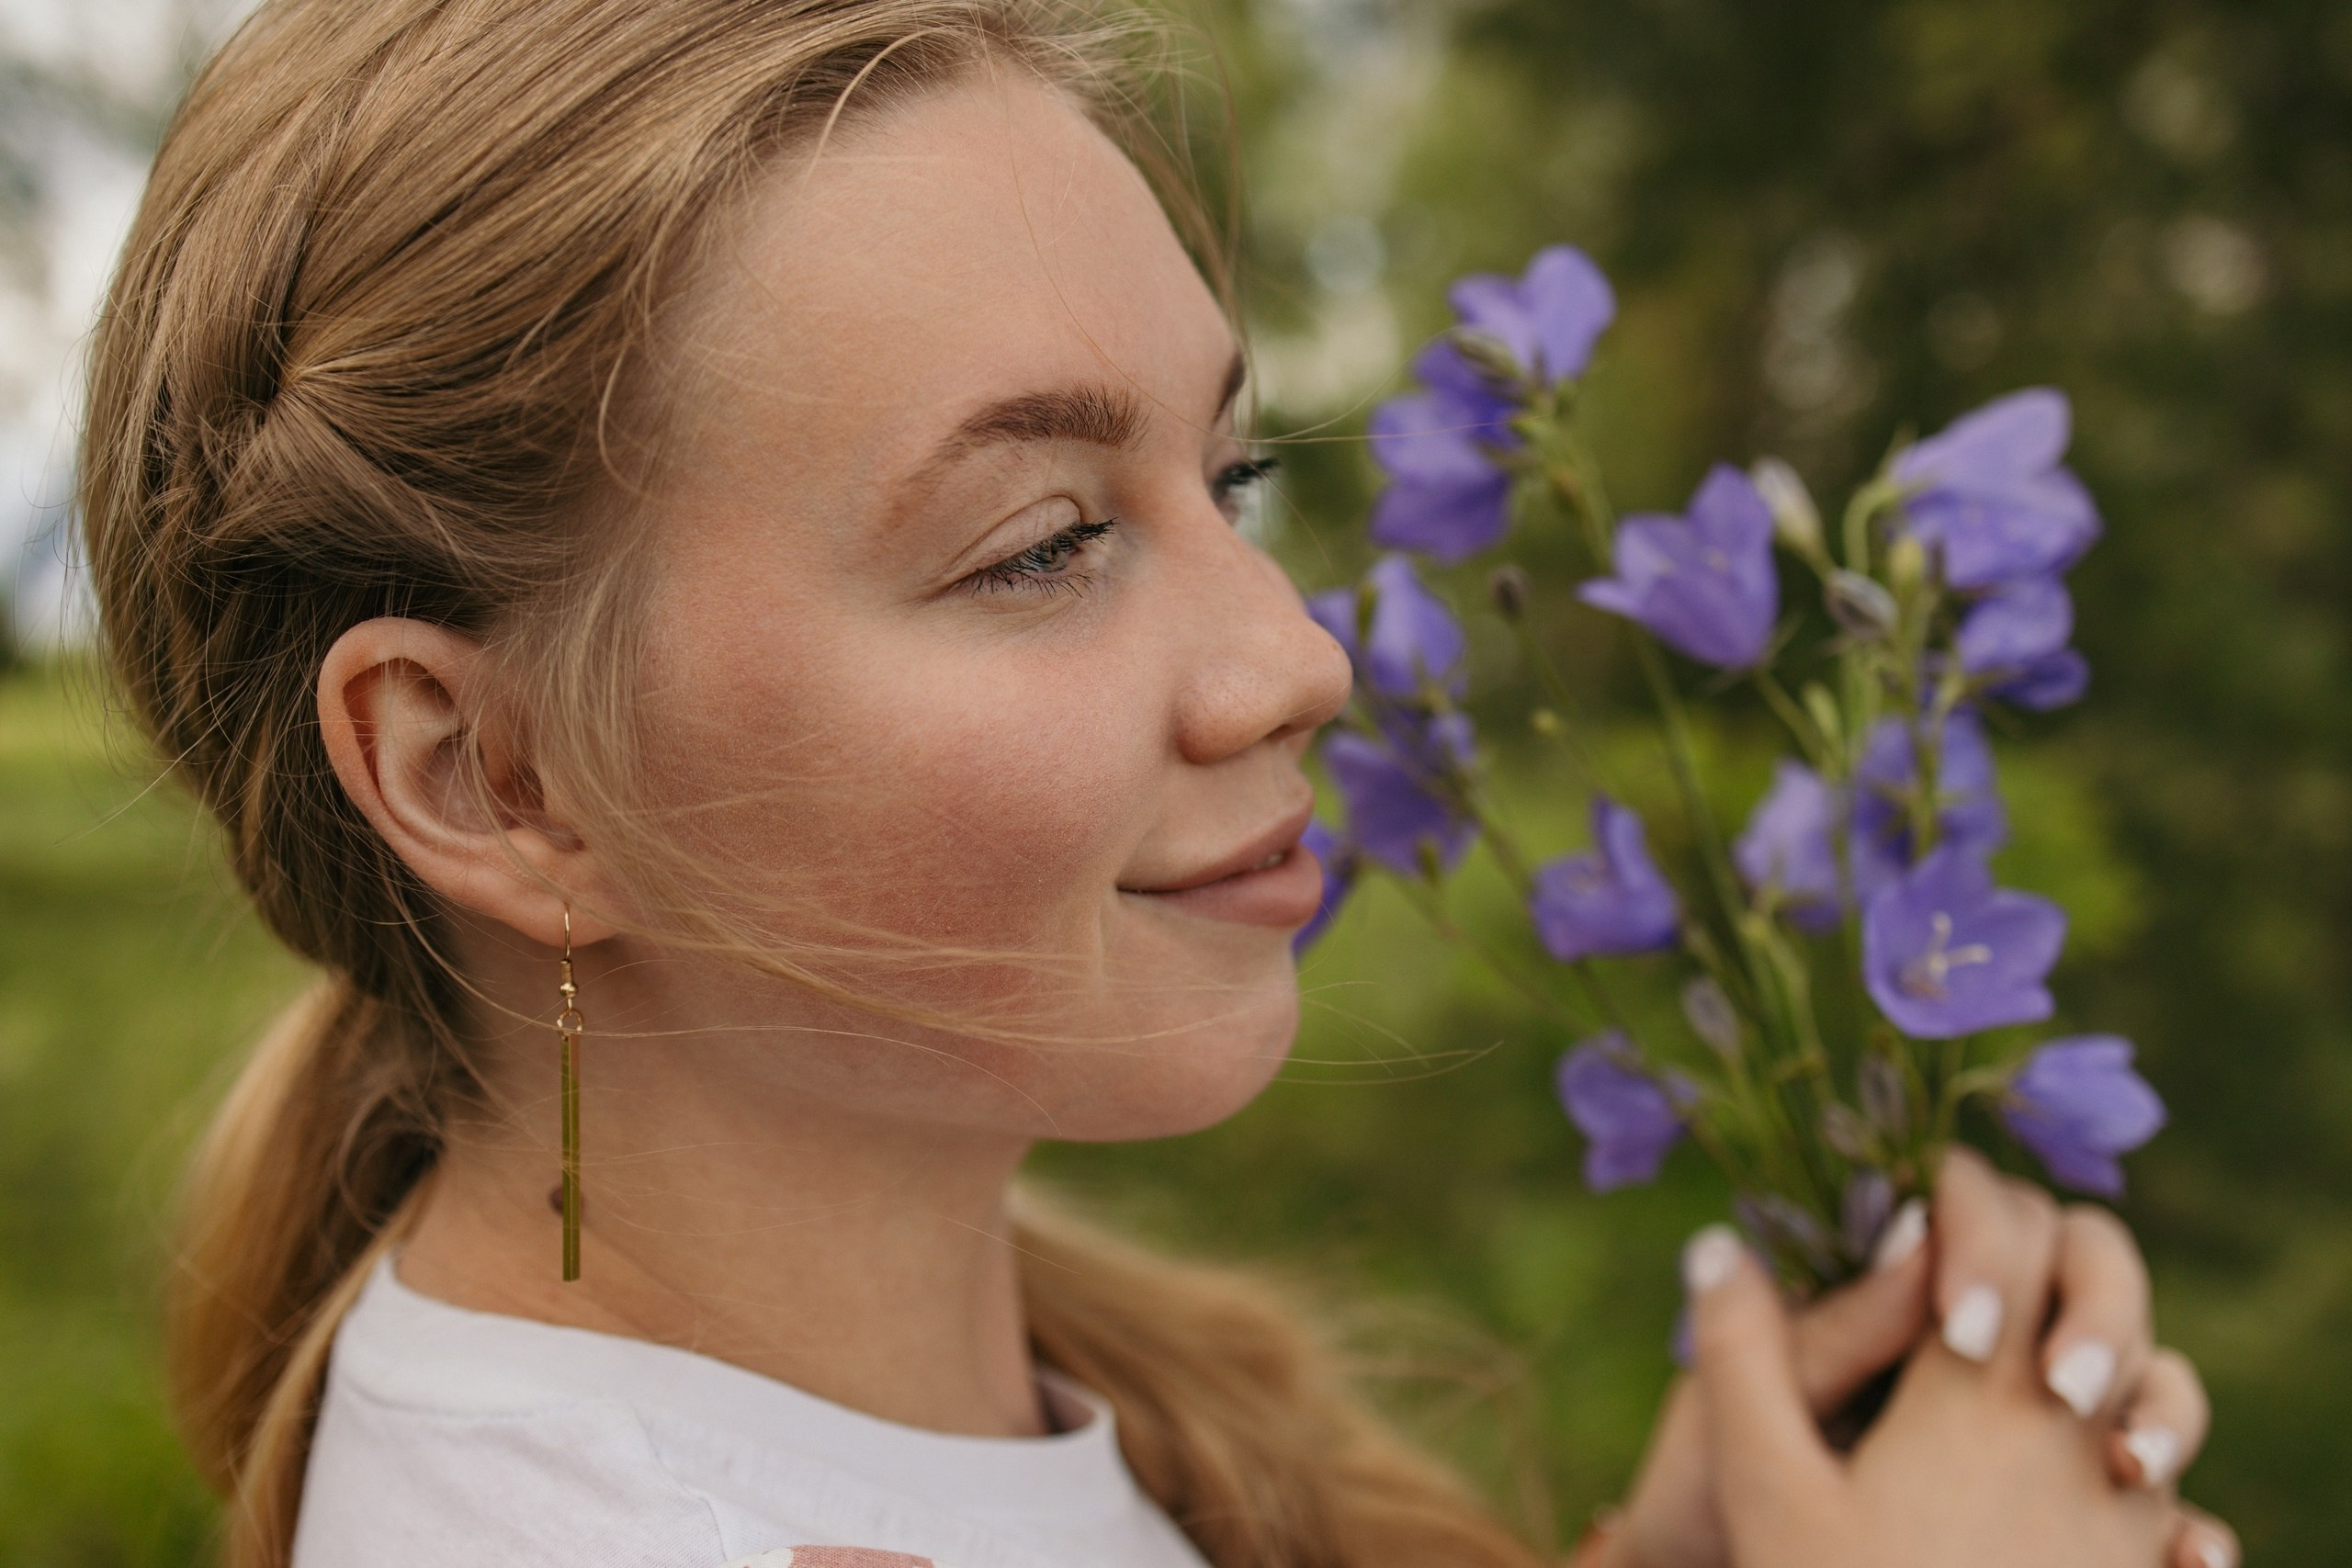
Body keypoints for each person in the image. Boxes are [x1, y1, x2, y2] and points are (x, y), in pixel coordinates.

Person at [78, 3, 2235, 1566]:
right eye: (1040, 543)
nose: (1301, 657)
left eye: (1232, 472)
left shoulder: (900, 1407)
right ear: (493, 776)